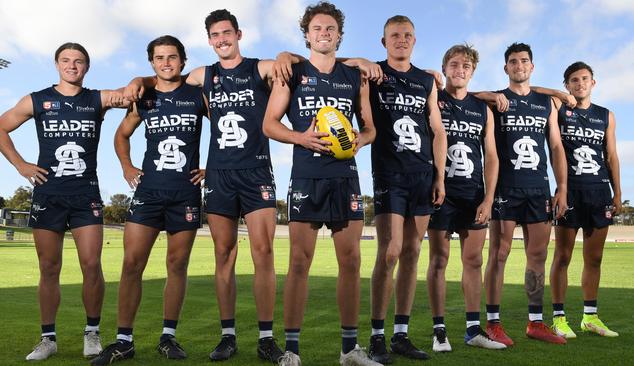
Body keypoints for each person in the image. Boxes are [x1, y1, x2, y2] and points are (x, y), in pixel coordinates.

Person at [122, 9, 302, 363]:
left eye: (227, 33)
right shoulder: (203, 76)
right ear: (209, 40)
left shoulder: (261, 67)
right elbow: (166, 77)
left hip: (257, 173)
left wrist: (287, 55)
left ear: (238, 34)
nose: (222, 39)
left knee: (263, 253)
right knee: (224, 255)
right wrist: (137, 80)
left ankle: (266, 338)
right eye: (215, 35)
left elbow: (300, 63)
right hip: (219, 178)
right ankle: (228, 336)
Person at [0, 42, 126, 360]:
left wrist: (144, 83)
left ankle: (92, 333)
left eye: (79, 61)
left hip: (85, 194)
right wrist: (21, 165)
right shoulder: (37, 99)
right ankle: (47, 338)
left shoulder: (96, 99)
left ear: (87, 67)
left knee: (92, 264)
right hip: (48, 195)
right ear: (57, 64)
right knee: (49, 267)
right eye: (66, 60)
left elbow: (127, 92)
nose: (72, 66)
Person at [262, 2, 379, 365]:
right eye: (317, 28)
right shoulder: (292, 73)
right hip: (307, 177)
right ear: (307, 35)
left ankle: (349, 350)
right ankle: (292, 352)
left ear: (339, 35)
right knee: (299, 262)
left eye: (330, 28)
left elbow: (370, 127)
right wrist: (301, 138)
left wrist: (360, 140)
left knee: (352, 262)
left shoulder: (354, 77)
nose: (324, 33)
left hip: (345, 179)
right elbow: (269, 123)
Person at [91, 35, 205, 365]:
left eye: (172, 57)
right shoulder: (145, 97)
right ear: (152, 63)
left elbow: (231, 130)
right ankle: (124, 340)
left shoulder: (198, 95)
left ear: (183, 61)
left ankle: (168, 337)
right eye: (159, 58)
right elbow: (121, 134)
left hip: (185, 192)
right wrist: (126, 166)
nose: (166, 62)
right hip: (149, 192)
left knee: (177, 265)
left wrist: (213, 168)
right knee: (131, 264)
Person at [363, 15, 445, 364]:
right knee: (390, 250)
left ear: (415, 40)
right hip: (389, 175)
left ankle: (401, 334)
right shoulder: (373, 74)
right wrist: (362, 62)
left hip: (422, 176)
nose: (401, 40)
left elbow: (437, 130)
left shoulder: (427, 80)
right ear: (384, 42)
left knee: (412, 252)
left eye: (407, 35)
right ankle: (377, 335)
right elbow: (335, 62)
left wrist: (439, 176)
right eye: (394, 36)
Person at [482, 42, 568, 345]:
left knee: (538, 256)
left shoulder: (546, 104)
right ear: (506, 68)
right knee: (499, 254)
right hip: (506, 187)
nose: (519, 65)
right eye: (513, 61)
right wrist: (491, 95)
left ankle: (535, 323)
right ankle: (493, 322)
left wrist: (563, 187)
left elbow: (556, 147)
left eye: (524, 61)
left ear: (532, 67)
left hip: (538, 189)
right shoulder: (495, 101)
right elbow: (467, 95)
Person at [425, 44, 506, 352]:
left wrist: (488, 198)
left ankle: (474, 330)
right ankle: (439, 331)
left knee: (473, 260)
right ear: (445, 68)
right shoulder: (433, 99)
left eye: (466, 66)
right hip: (441, 193)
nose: (460, 70)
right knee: (439, 260)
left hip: (473, 193)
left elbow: (492, 157)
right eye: (454, 64)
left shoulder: (482, 108)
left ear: (473, 72)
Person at [544, 62, 621, 338]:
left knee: (595, 258)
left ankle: (590, 317)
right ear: (567, 85)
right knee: (562, 256)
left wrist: (618, 192)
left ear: (593, 82)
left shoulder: (606, 115)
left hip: (599, 192)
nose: (580, 84)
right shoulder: (558, 108)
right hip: (570, 192)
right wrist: (558, 94)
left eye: (585, 79)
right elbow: (531, 91)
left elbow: (611, 156)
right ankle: (559, 317)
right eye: (574, 80)